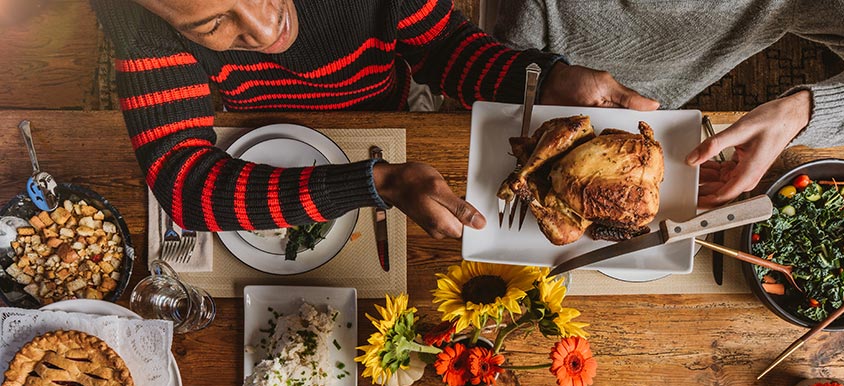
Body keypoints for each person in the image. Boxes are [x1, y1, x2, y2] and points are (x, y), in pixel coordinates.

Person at [90, 0, 657, 240]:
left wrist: (541, 80)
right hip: (252, 136)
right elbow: (186, 186)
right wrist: (376, 182)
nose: (266, 32)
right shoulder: (133, 18)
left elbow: (443, 49)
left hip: (387, 108)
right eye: (214, 23)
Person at [495, 0, 844, 207]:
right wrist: (540, 77)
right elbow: (490, 72)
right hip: (517, 115)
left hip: (650, 155)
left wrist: (802, 112)